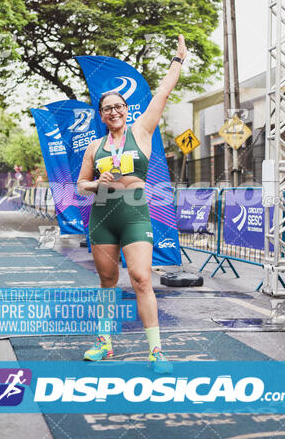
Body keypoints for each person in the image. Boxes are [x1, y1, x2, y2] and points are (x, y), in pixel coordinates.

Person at [77, 34, 187, 367]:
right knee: (107, 282)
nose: (113, 111)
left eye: (118, 107)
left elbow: (163, 93)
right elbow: (80, 185)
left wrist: (178, 60)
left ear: (127, 110)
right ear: (102, 114)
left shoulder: (141, 132)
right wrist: (97, 183)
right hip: (103, 217)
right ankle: (104, 343)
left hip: (135, 211)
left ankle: (156, 351)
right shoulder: (94, 147)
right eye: (107, 108)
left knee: (141, 278)